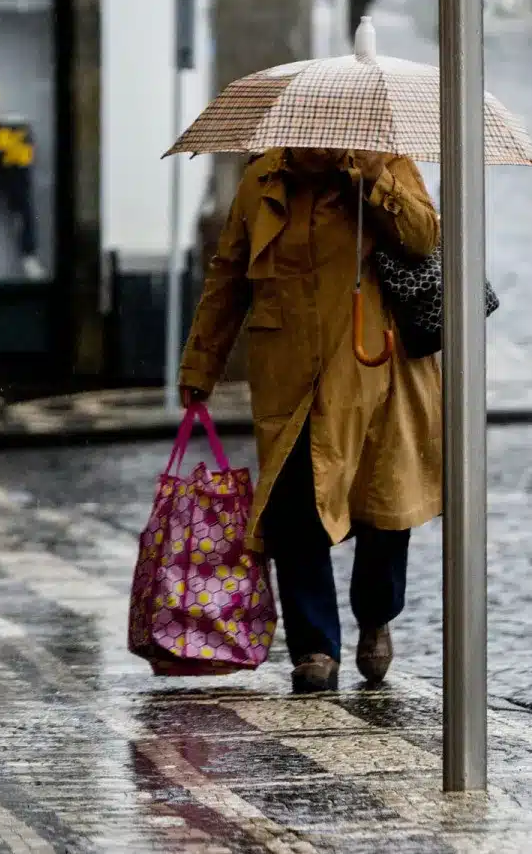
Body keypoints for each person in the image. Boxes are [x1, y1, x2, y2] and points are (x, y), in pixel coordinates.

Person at [178, 146, 442, 693]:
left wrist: (374, 181)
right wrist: (201, 362)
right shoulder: (262, 182)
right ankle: (315, 647)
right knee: (294, 511)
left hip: (373, 368)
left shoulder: (383, 165)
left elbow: (423, 237)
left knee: (381, 509)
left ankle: (376, 616)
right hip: (289, 377)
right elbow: (228, 276)